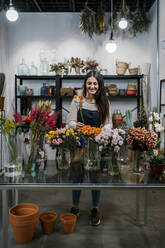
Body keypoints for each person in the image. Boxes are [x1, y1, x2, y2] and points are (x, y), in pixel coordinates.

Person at [68, 70, 112, 226]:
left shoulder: (104, 103)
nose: (92, 86)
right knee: (76, 177)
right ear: (85, 84)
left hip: (96, 147)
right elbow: (70, 122)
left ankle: (95, 208)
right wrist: (76, 125)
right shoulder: (77, 101)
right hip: (79, 145)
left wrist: (103, 130)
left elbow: (108, 124)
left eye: (95, 83)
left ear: (99, 85)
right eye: (89, 83)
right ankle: (75, 207)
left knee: (95, 178)